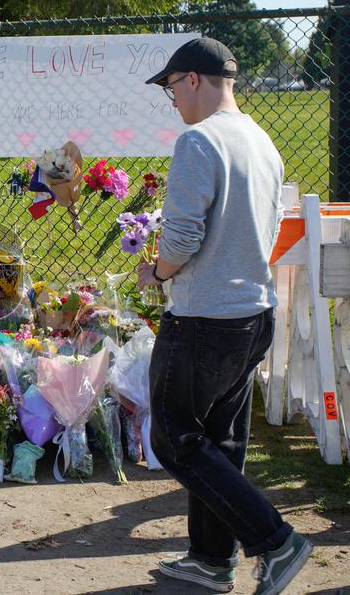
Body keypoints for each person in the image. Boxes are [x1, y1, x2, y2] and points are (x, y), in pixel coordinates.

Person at [140, 37, 311, 595]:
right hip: (253, 313)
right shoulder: (261, 141)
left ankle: (275, 540)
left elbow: (182, 238)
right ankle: (212, 560)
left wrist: (157, 272)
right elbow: (270, 224)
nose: (173, 101)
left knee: (174, 438)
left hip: (204, 317)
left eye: (172, 89)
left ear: (193, 79)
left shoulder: (199, 140)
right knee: (221, 440)